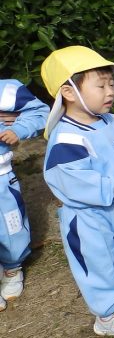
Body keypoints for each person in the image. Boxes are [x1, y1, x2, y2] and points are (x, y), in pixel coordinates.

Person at [41, 46, 114, 336]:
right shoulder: (67, 138)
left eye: (112, 84)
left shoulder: (109, 122)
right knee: (96, 263)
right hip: (88, 217)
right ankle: (108, 315)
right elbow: (77, 183)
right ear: (68, 92)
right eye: (100, 85)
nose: (110, 92)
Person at [0, 79, 49, 311]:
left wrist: (18, 128)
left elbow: (40, 112)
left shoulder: (7, 90)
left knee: (10, 226)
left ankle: (12, 267)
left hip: (1, 176)